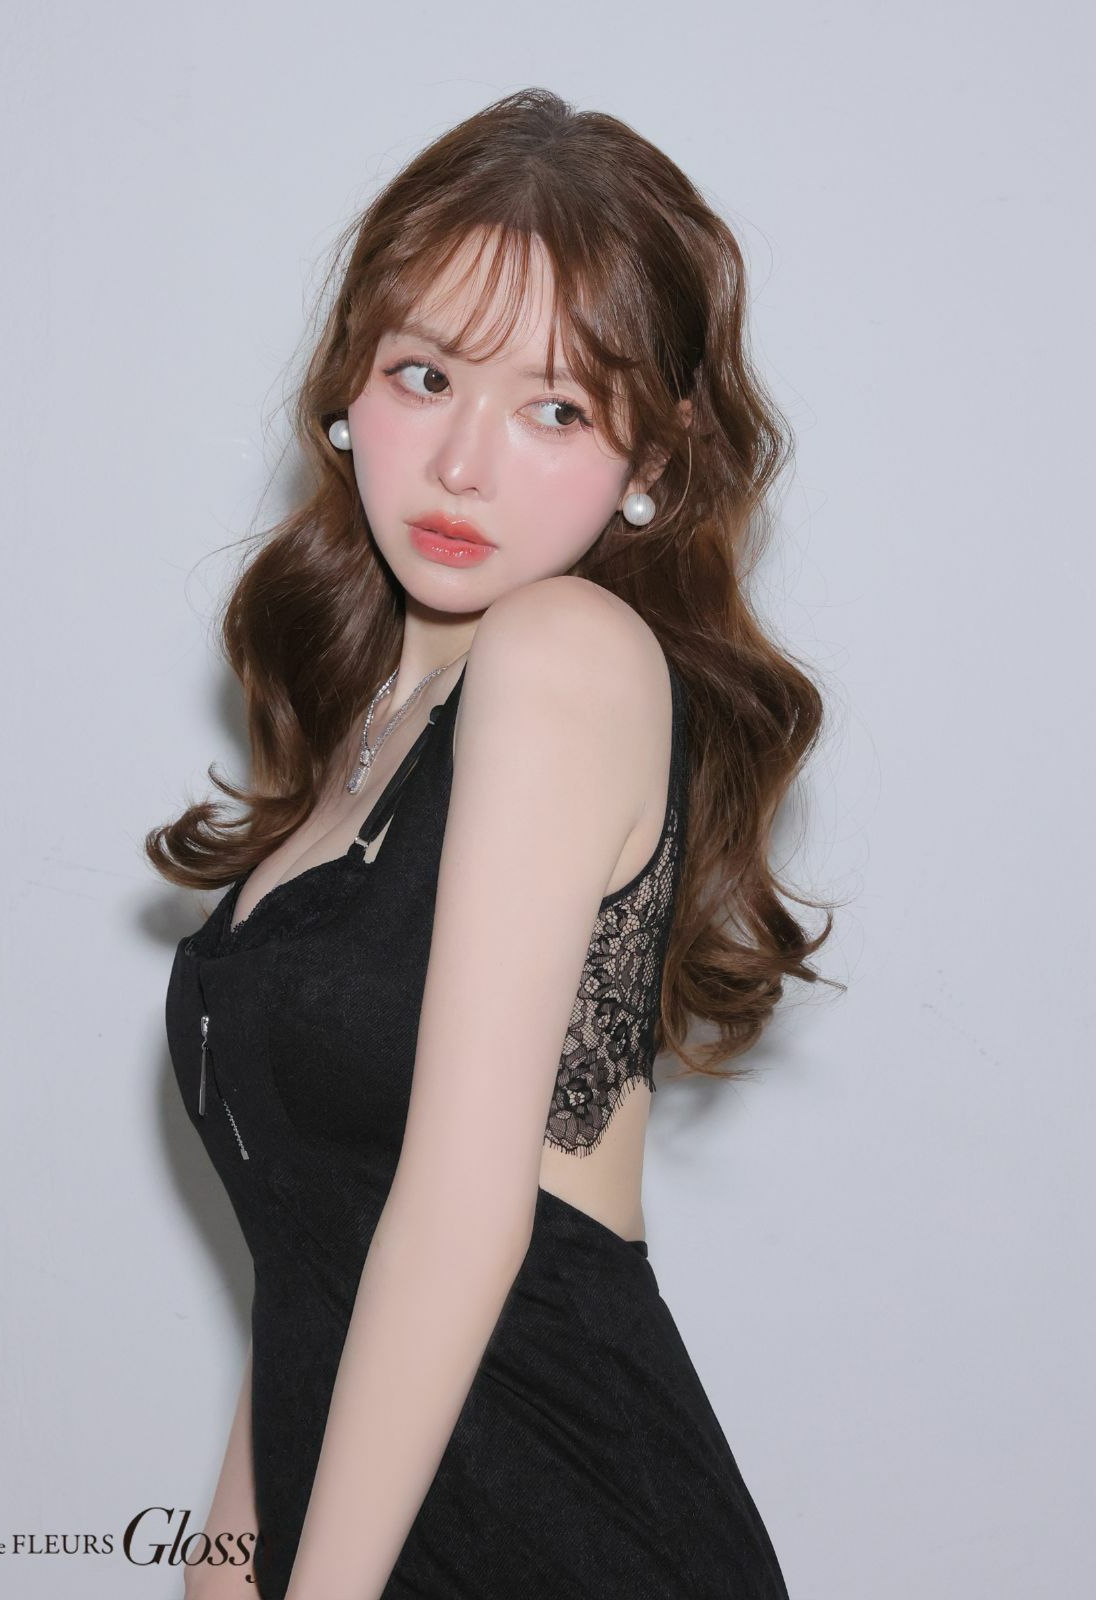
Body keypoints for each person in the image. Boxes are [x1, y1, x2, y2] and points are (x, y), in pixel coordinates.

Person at [147, 86, 837, 1600]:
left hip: (562, 1535)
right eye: (426, 374)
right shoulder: (363, 743)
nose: (464, 462)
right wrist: (225, 1566)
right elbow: (313, 1250)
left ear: (652, 462)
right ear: (349, 387)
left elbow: (461, 1216)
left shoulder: (562, 653)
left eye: (556, 409)